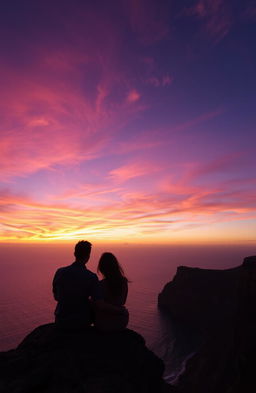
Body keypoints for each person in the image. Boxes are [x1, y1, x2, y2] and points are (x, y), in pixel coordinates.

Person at [52, 240, 101, 328]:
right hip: (82, 321)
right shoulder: (92, 277)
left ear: (74, 253)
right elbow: (97, 302)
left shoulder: (60, 272)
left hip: (61, 321)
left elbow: (56, 297)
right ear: (88, 256)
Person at [94, 252, 129, 331]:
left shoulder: (100, 285)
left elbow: (101, 306)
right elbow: (122, 302)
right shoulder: (124, 282)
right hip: (121, 321)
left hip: (103, 322)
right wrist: (120, 310)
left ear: (102, 268)